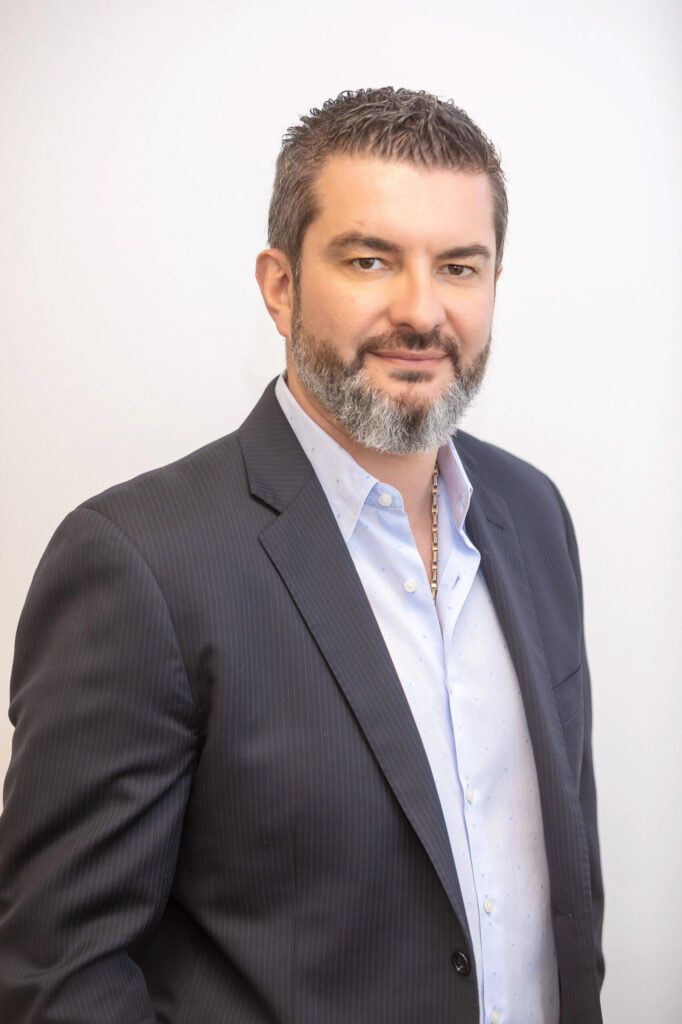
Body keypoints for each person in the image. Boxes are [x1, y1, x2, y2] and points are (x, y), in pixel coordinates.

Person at [0, 87, 604, 1023]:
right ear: (279, 285)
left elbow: (562, 899)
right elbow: (61, 974)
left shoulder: (533, 516)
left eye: (459, 266)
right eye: (371, 259)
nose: (421, 310)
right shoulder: (140, 563)